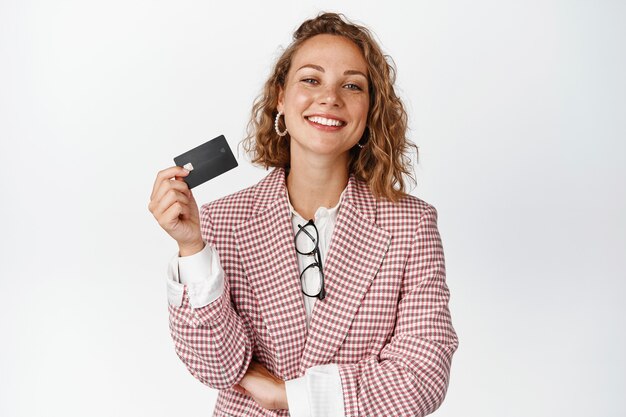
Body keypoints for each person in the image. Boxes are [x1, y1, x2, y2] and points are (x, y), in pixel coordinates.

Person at [148, 12, 458, 417]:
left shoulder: (411, 225)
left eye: (352, 85)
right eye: (311, 79)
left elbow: (422, 377)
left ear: (370, 111)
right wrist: (191, 247)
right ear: (280, 96)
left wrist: (287, 395)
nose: (330, 97)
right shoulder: (221, 221)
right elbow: (216, 366)